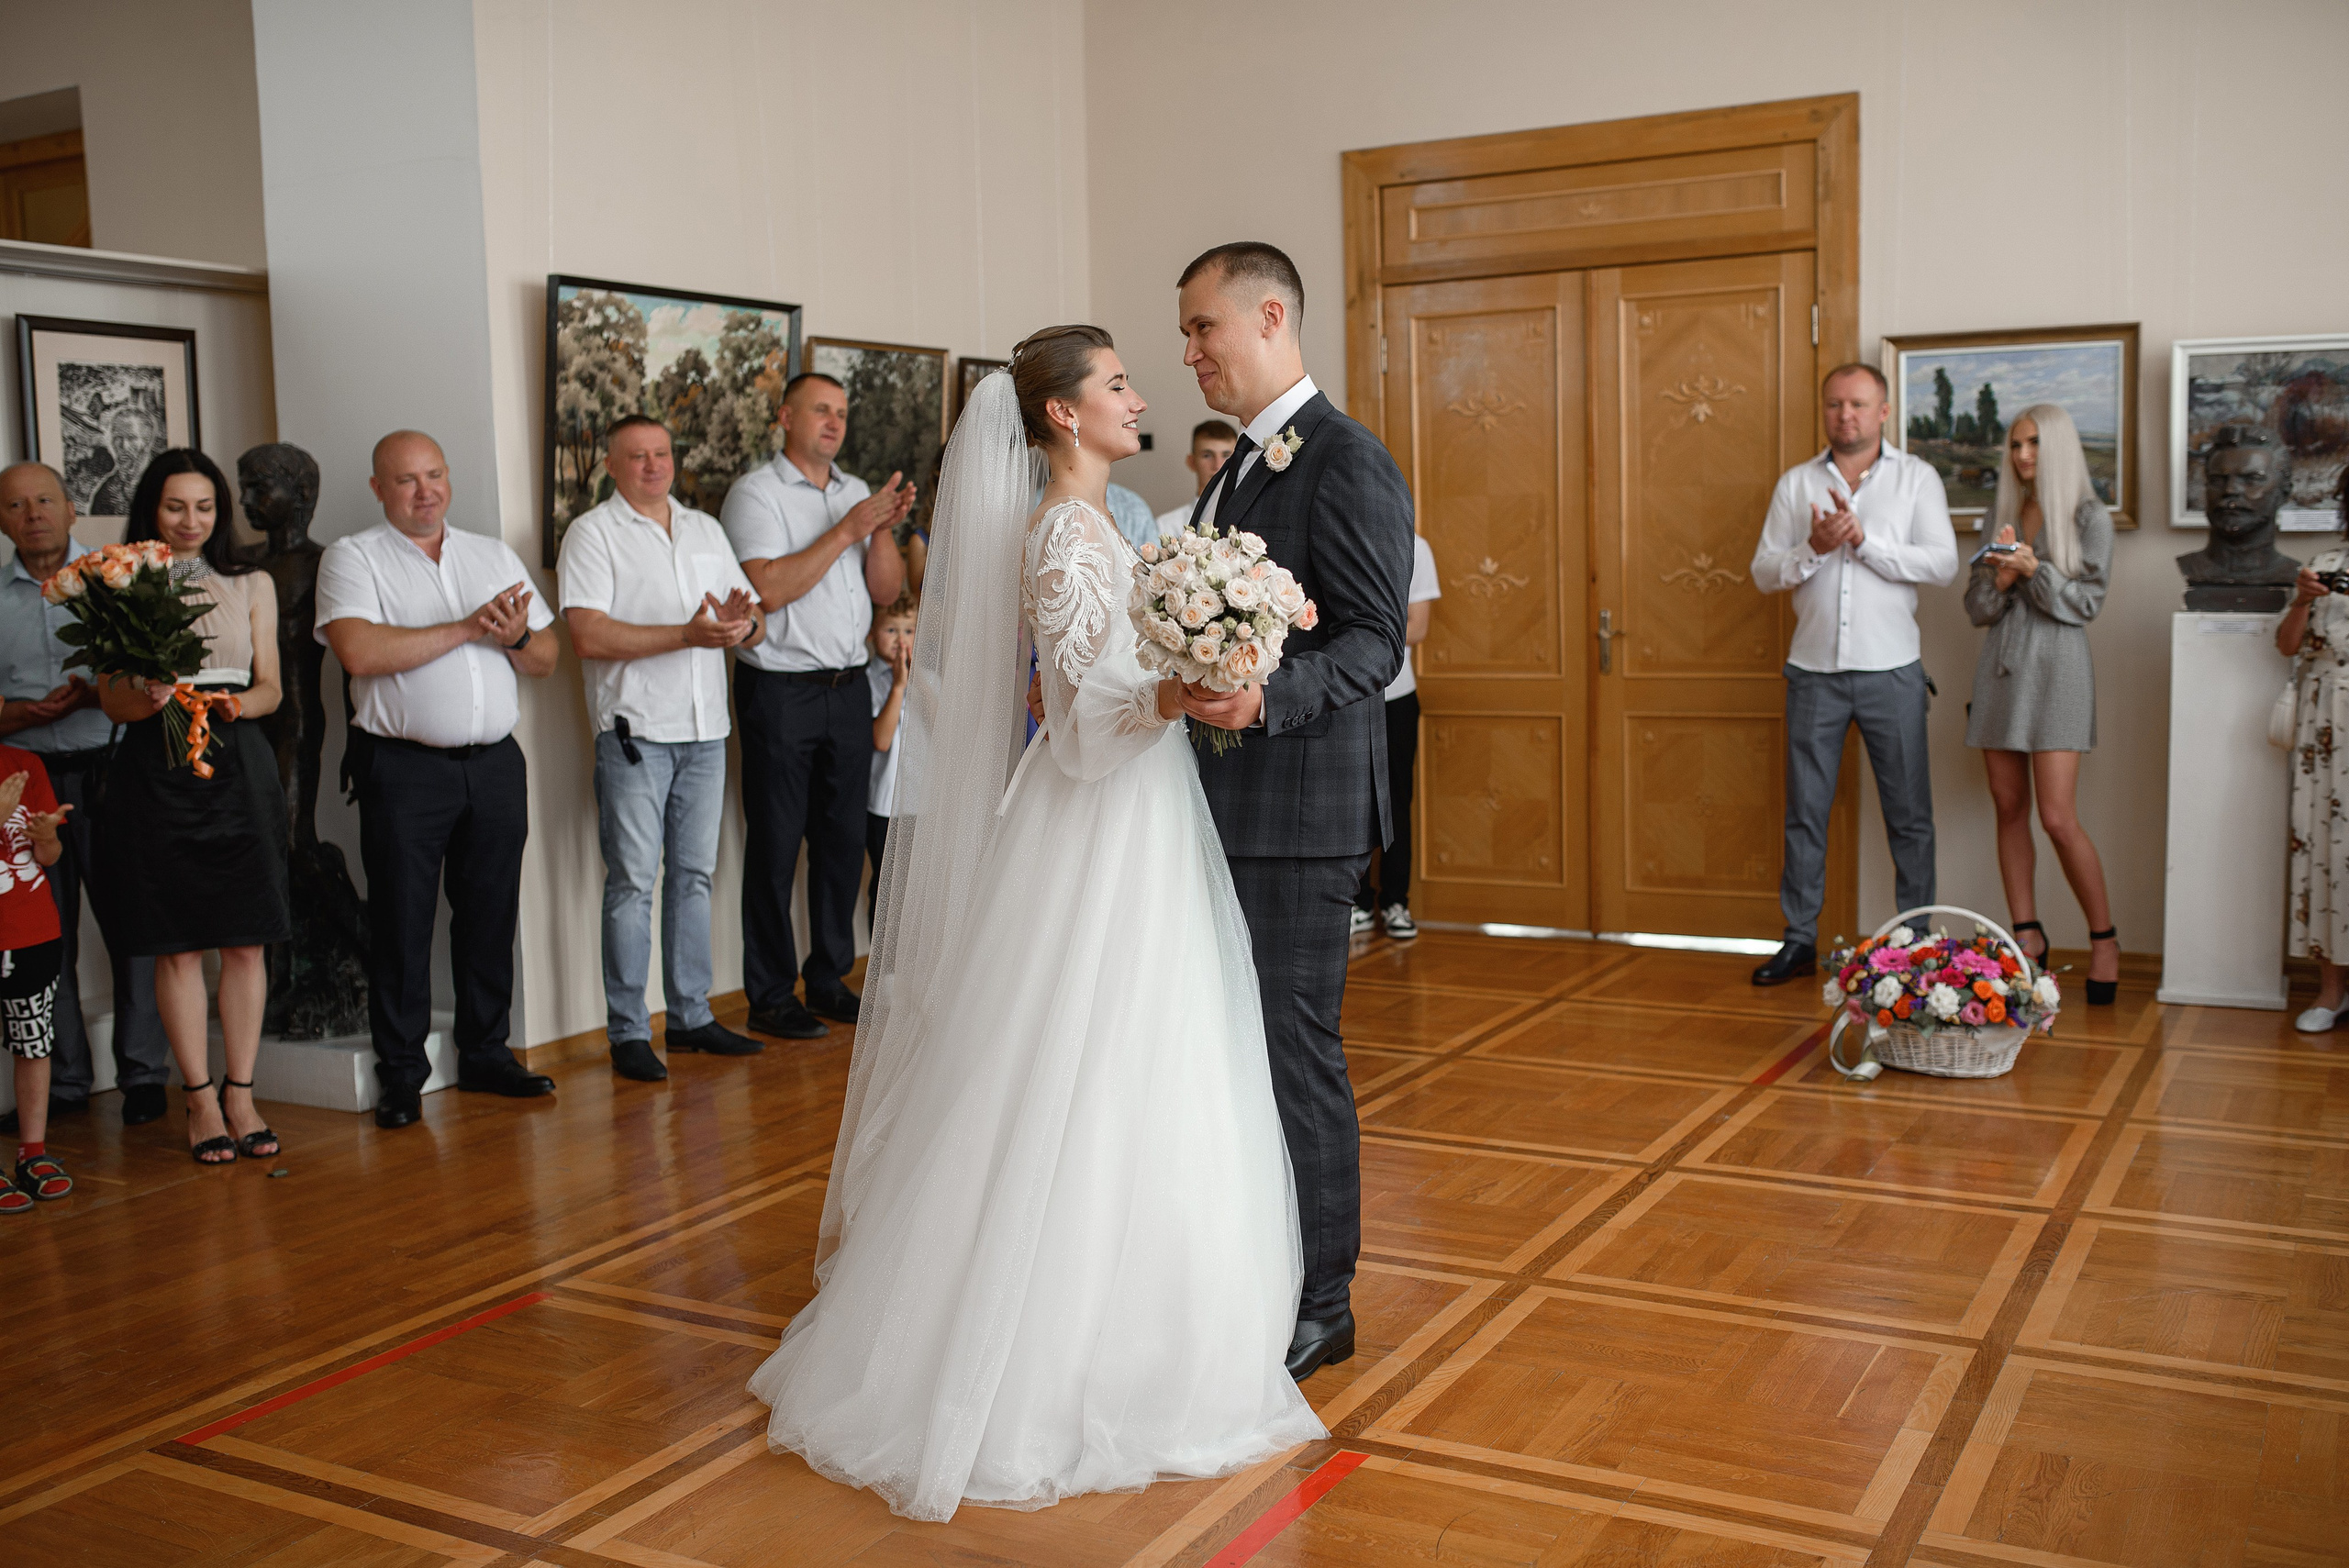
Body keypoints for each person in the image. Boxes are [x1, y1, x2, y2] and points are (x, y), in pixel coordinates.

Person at [749, 333, 1322, 1521]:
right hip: (1089, 829)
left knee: (1157, 1069)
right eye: (1117, 384)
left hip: (1148, 823)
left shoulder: (1117, 527)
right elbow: (1072, 723)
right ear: (1062, 416)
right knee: (1076, 1071)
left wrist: (1208, 655)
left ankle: (1167, 1329)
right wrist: (1180, 687)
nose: (1139, 397)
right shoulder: (1065, 536)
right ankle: (1036, 1357)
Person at [1173, 241, 1415, 1379]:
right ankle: (1257, 1261)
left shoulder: (1347, 459)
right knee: (1228, 1053)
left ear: (1269, 314)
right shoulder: (1237, 468)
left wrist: (1268, 696)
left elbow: (1373, 640)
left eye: (1201, 328)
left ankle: (1325, 1296)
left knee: (1292, 1050)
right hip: (1222, 800)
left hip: (1301, 811)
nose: (1189, 354)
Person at [317, 431, 561, 1129]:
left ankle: (485, 1053)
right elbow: (359, 650)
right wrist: (468, 628)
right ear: (378, 489)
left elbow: (543, 655)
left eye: (434, 475)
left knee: (490, 913)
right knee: (402, 918)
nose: (424, 491)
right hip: (403, 769)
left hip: (493, 764)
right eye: (405, 480)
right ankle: (401, 1074)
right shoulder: (354, 556)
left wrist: (511, 637)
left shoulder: (491, 553)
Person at [95, 450, 290, 1163]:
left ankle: (242, 1093)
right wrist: (146, 697)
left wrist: (240, 703)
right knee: (177, 941)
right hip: (157, 761)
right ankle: (200, 1100)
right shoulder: (121, 581)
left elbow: (271, 686)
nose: (191, 521)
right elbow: (108, 696)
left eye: (204, 507)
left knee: (244, 938)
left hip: (236, 757)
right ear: (153, 508)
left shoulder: (253, 582)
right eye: (177, 507)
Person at [560, 416, 766, 1082]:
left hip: (707, 731)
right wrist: (686, 635)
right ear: (611, 467)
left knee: (695, 877)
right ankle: (627, 1030)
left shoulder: (704, 528)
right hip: (636, 734)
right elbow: (588, 635)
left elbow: (753, 624)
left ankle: (691, 1016)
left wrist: (743, 621)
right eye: (637, 456)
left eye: (662, 454)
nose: (653, 466)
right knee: (630, 884)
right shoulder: (592, 534)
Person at [1748, 364, 1958, 985]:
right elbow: (1763, 572)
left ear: (1885, 411)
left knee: (1909, 814)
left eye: (1860, 404)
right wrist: (1814, 546)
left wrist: (1864, 543)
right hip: (1813, 672)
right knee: (1805, 811)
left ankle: (1917, 944)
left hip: (1893, 672)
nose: (1847, 416)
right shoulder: (1796, 484)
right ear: (1824, 410)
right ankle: (1799, 938)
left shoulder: (1917, 478)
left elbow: (1943, 564)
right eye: (1836, 404)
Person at [721, 374, 913, 1040]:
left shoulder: (857, 492)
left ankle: (829, 978)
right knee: (775, 845)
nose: (834, 422)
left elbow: (885, 588)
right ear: (785, 416)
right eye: (820, 410)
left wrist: (879, 528)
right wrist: (847, 529)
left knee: (840, 844)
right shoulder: (756, 494)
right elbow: (767, 590)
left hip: (849, 687)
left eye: (842, 413)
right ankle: (771, 994)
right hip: (780, 691)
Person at [0, 462, 172, 1129]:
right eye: (16, 504)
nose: (33, 513)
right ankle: (65, 1080)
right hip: (26, 787)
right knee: (48, 939)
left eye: (45, 499)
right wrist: (24, 714)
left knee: (134, 926)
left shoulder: (115, 580)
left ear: (73, 510)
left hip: (112, 772)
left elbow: (153, 680)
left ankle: (143, 1074)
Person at [1964, 405, 2120, 1004]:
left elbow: (2087, 604)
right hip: (2001, 670)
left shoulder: (2089, 516)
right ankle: (2025, 934)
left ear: (2057, 447)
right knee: (2007, 806)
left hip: (2058, 673)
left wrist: (2034, 572)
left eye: (2033, 443)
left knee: (2057, 816)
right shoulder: (1998, 513)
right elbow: (1976, 609)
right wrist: (2001, 581)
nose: (2023, 455)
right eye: (2014, 445)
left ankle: (2103, 938)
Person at [2278, 468, 2349, 1032]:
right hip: (2326, 716)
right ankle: (2330, 991)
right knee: (2324, 845)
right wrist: (2302, 601)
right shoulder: (2324, 562)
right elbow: (2286, 645)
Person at [1353, 531, 1441, 940]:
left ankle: (1395, 901)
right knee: (1351, 802)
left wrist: (1355, 631)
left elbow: (1417, 628)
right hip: (1345, 697)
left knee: (1395, 798)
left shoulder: (1413, 546)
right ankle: (1355, 903)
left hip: (1396, 696)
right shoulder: (1340, 538)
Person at [0, 750, 75, 1210]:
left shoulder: (25, 764)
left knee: (34, 1043)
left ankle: (33, 1152)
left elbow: (49, 855)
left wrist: (46, 837)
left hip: (33, 932)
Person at [863, 592, 916, 931]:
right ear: (871, 633)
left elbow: (943, 726)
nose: (901, 640)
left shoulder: (927, 676)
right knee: (887, 888)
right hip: (884, 803)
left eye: (909, 631)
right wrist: (898, 687)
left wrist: (916, 678)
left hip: (921, 800)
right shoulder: (867, 680)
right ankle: (883, 973)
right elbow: (880, 739)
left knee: (917, 890)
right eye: (891, 630)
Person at [1154, 418, 1239, 536]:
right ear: (1192, 462)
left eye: (1226, 456)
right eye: (1207, 455)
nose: (1218, 466)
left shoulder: (1253, 521)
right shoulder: (1166, 526)